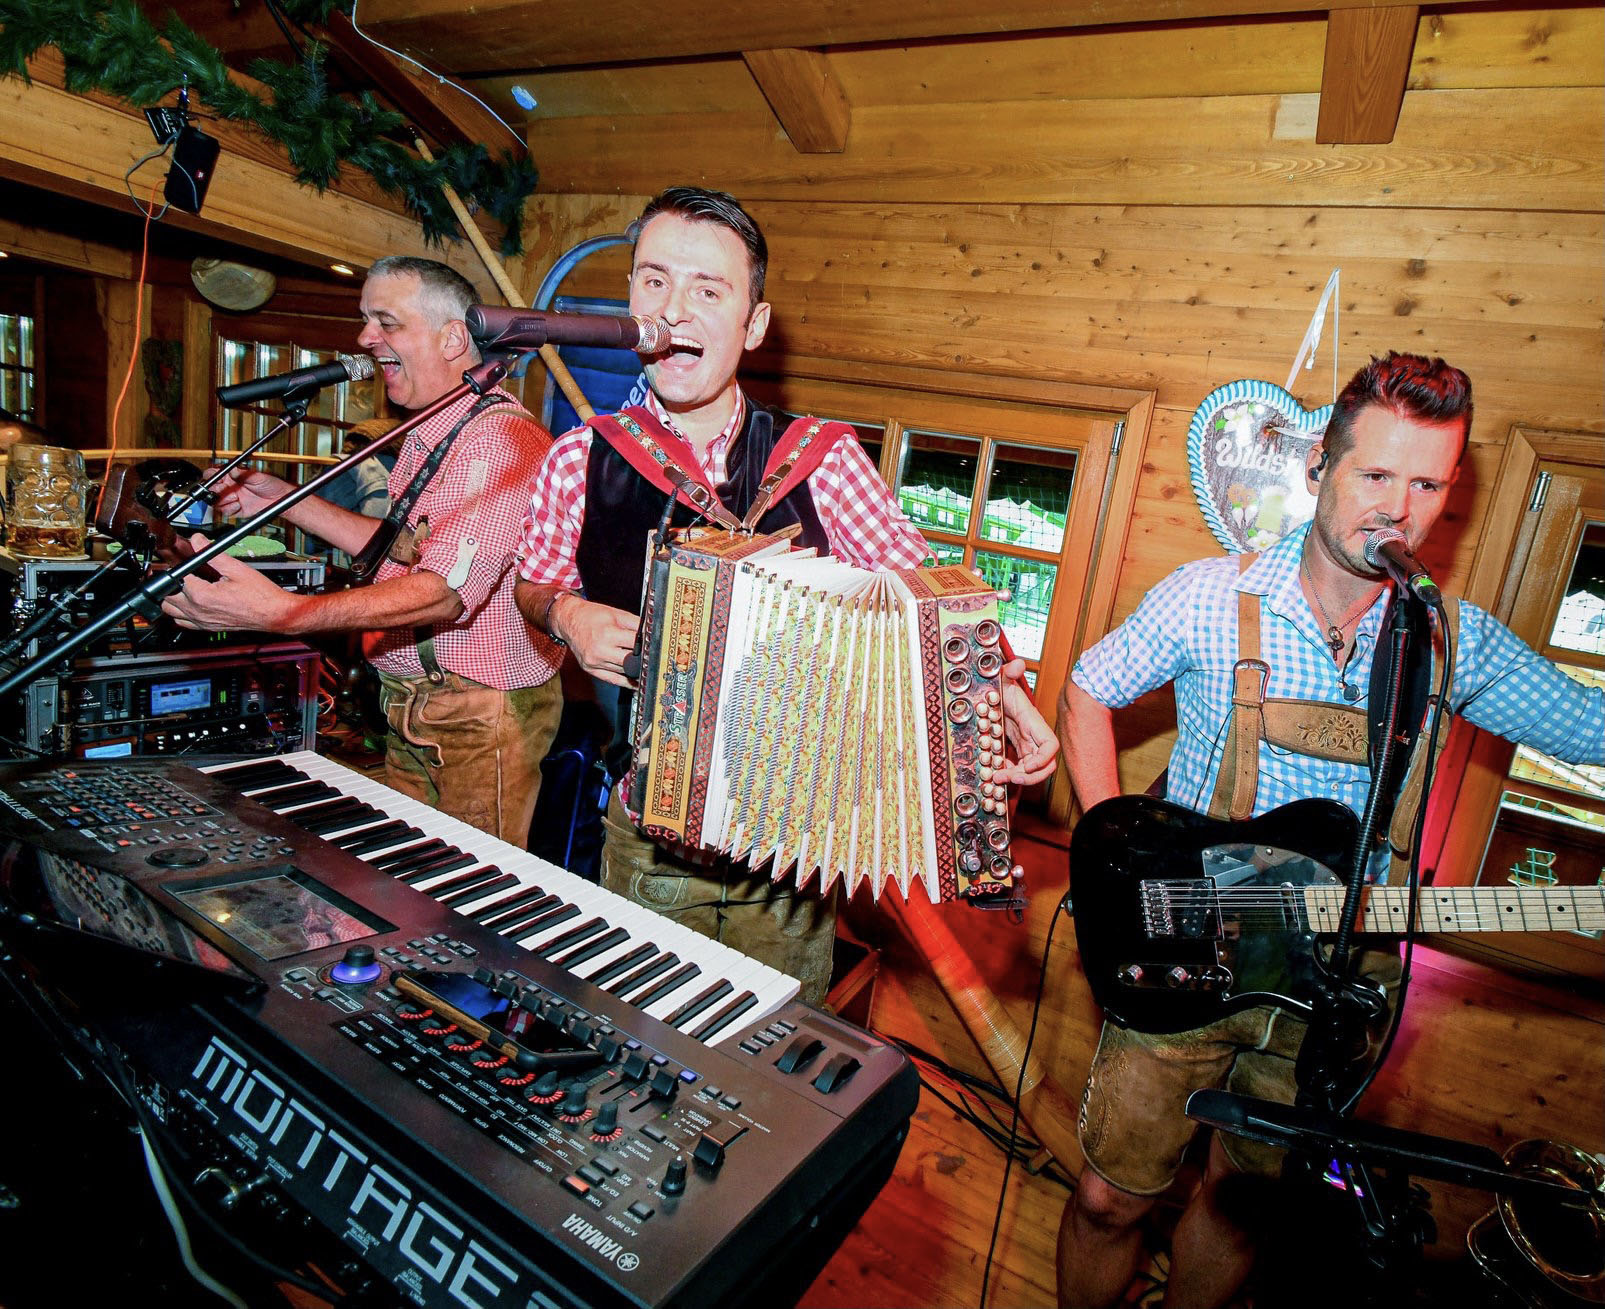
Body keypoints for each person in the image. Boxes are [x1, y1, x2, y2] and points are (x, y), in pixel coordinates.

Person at [1052, 351, 1605, 1309]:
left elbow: (1592, 728)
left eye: (1427, 484)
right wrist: (1116, 867)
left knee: (1241, 1204)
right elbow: (1086, 690)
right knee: (1109, 1198)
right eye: (1375, 474)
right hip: (1187, 951)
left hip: (1333, 988)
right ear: (1318, 469)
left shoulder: (1450, 640)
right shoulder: (1207, 597)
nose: (1398, 509)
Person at [515, 185, 1058, 1004]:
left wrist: (1004, 693)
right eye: (655, 281)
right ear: (630, 301)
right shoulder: (577, 459)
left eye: (708, 290)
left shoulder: (822, 459)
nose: (675, 309)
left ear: (753, 324)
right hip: (647, 838)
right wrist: (565, 613)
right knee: (641, 1043)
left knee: (773, 1057)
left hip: (793, 855)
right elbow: (534, 580)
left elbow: (925, 594)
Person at [162, 256, 562, 845]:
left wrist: (285, 614)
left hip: (477, 712)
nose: (364, 338)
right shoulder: (436, 427)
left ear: (453, 339)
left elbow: (443, 592)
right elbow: (406, 552)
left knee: (469, 884)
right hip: (416, 701)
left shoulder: (498, 439)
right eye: (366, 320)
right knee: (411, 876)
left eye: (386, 322)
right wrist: (284, 499)